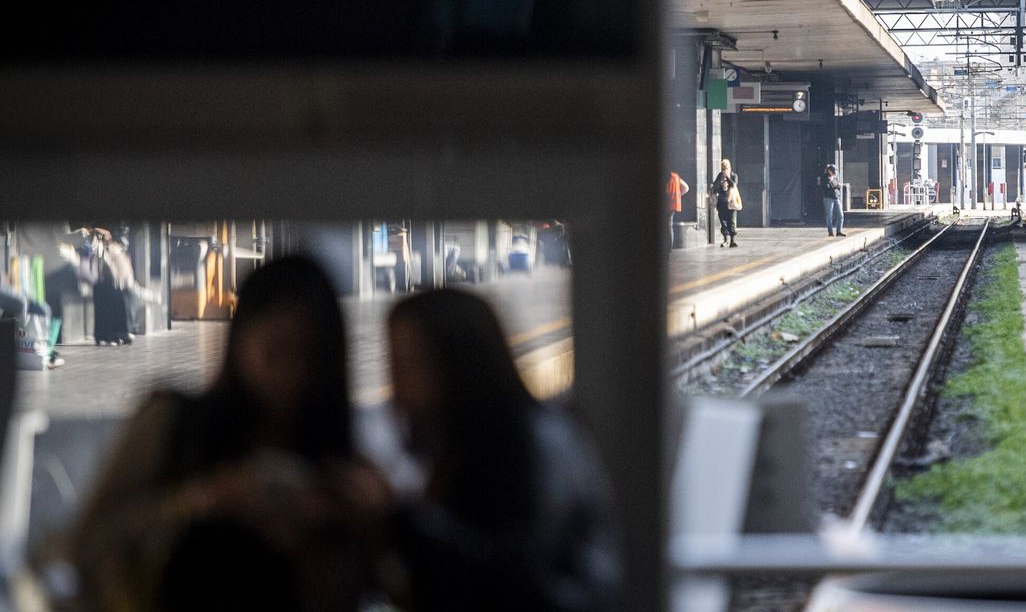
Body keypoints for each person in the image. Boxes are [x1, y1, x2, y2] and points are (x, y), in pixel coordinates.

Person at [63, 255, 390, 612]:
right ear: (240, 342)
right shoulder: (173, 423)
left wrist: (366, 528)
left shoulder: (339, 463)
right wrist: (196, 502)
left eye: (310, 357)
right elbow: (88, 544)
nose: (291, 375)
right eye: (275, 352)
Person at [385, 289, 622, 612]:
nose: (398, 387)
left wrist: (400, 524)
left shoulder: (536, 444)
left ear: (459, 364)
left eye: (412, 365)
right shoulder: (451, 444)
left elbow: (511, 581)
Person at [712, 159, 739, 248]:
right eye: (723, 168)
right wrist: (721, 184)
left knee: (731, 221)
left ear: (730, 168)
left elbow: (734, 185)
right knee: (723, 221)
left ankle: (732, 240)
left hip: (731, 202)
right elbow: (715, 188)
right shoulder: (719, 176)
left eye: (726, 168)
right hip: (722, 202)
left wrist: (727, 177)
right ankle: (725, 240)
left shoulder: (734, 176)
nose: (724, 170)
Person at [820, 164, 846, 237]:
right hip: (828, 198)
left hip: (836, 197)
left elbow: (835, 185)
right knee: (829, 215)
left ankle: (839, 231)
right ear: (829, 171)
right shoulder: (824, 177)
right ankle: (830, 231)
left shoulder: (835, 177)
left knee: (840, 215)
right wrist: (829, 180)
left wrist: (837, 186)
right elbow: (825, 187)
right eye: (833, 171)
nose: (834, 173)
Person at [667, 172, 690, 249]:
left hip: (666, 204)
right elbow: (686, 188)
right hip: (673, 204)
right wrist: (678, 195)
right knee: (669, 226)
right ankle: (669, 249)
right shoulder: (675, 176)